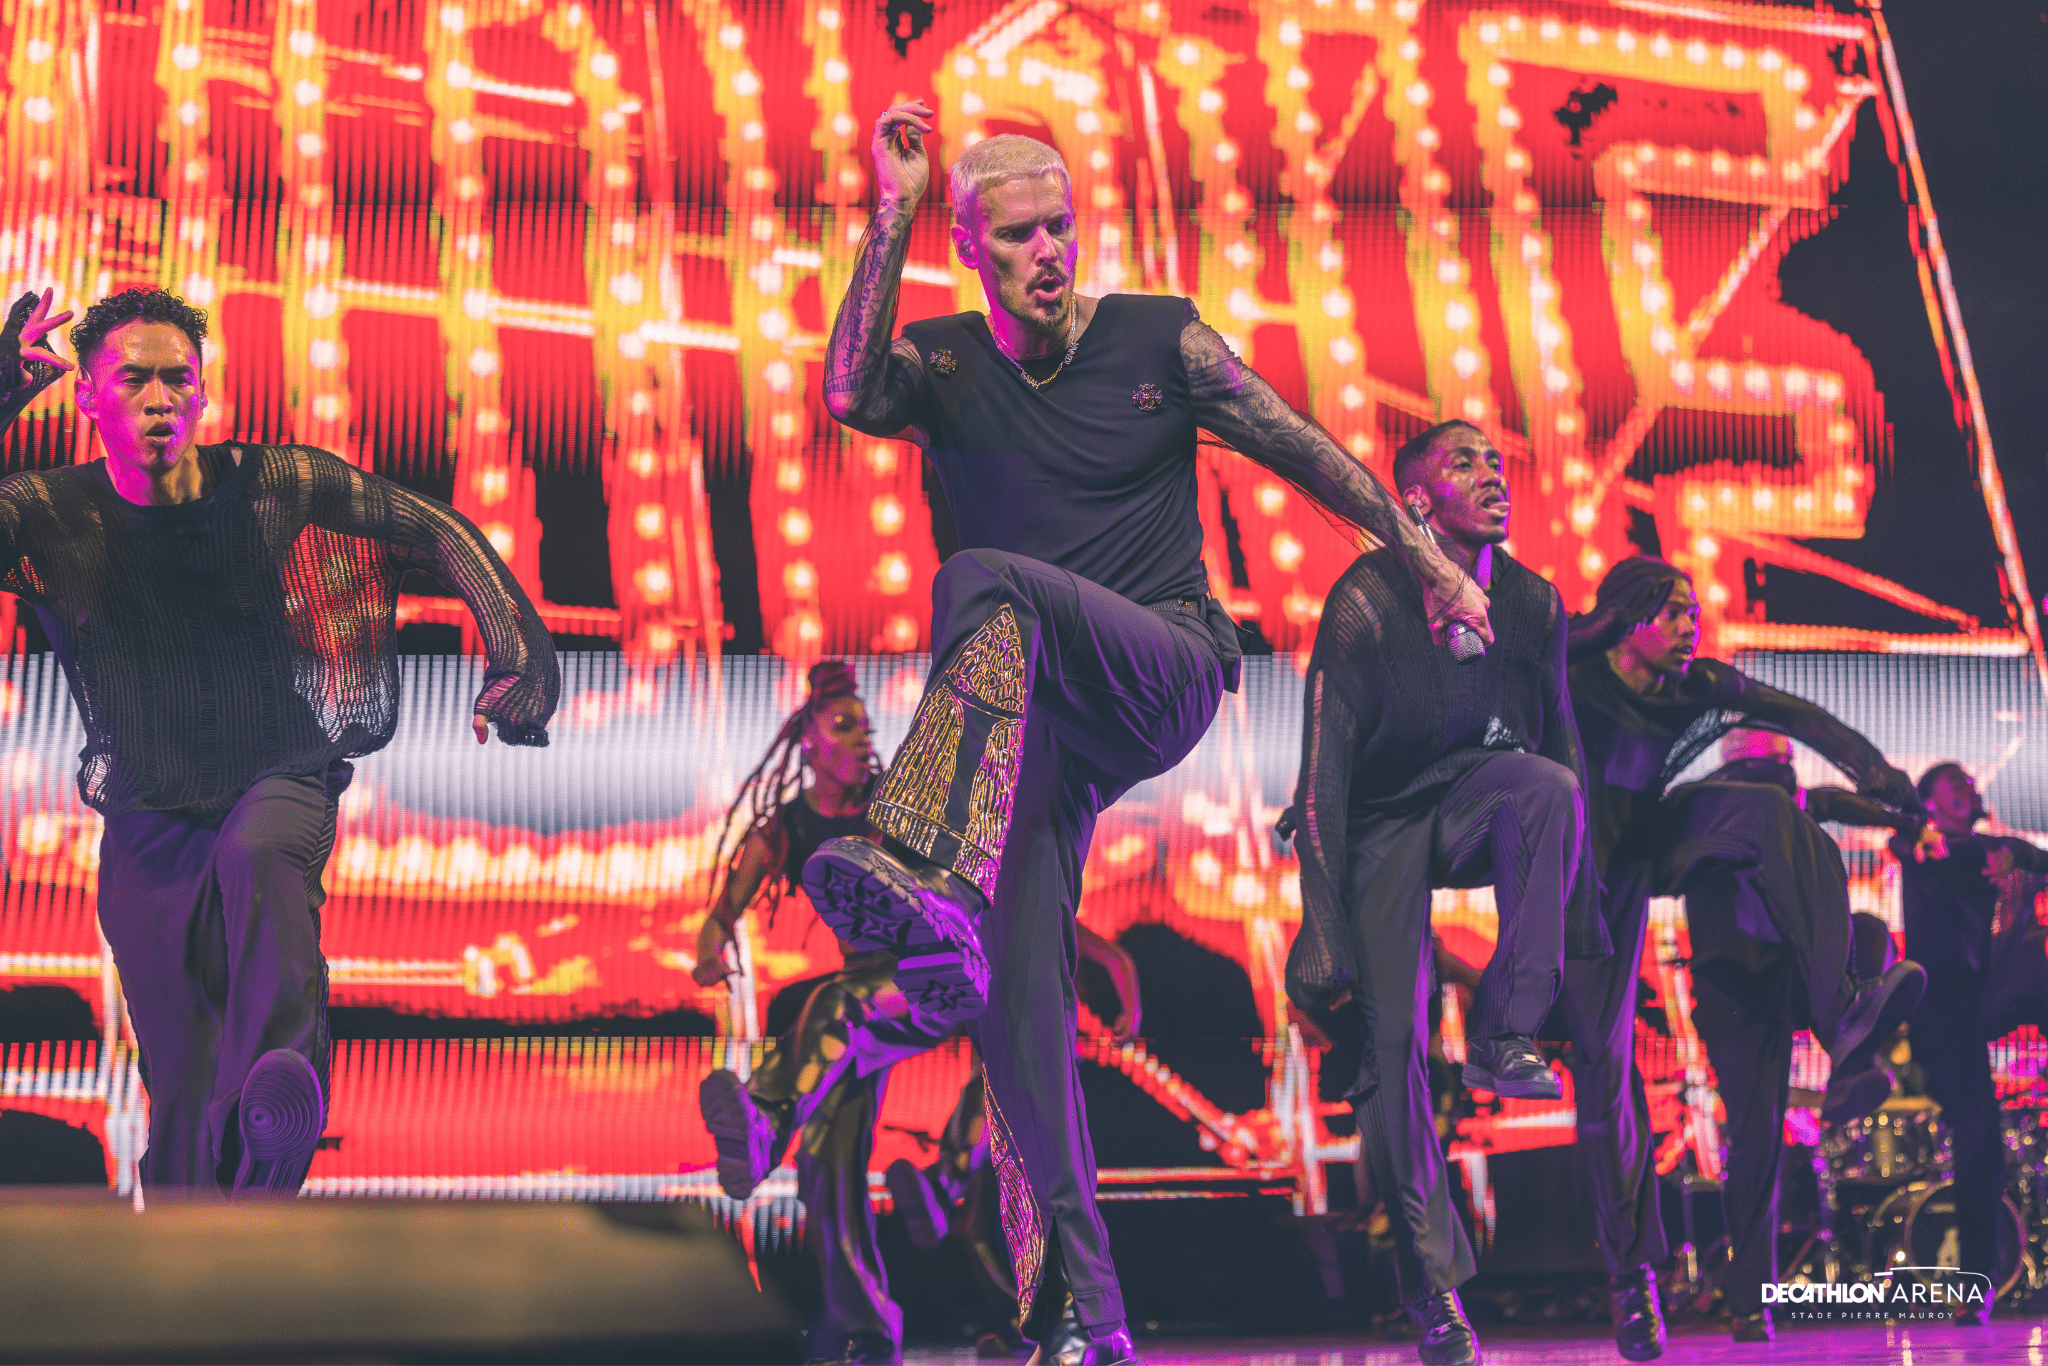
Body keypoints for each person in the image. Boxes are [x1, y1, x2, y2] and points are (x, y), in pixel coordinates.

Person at [802, 106, 1492, 1364]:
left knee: (982, 580)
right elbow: (845, 390)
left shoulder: (1158, 339)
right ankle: (1079, 1313)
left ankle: (923, 856)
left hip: (1159, 662)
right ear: (969, 247)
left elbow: (1302, 451)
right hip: (1034, 730)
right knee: (1015, 1006)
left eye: (1061, 227)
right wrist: (889, 212)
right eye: (1018, 236)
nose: (1048, 252)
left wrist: (1430, 564)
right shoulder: (942, 362)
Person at [0, 286, 558, 1199]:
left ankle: (274, 1115)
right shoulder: (51, 511)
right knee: (180, 1082)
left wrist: (519, 657)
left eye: (178, 379)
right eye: (134, 380)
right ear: (88, 397)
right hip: (148, 808)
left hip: (279, 770)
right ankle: (190, 1248)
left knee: (256, 856)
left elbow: (432, 527)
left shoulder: (271, 482)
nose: (160, 399)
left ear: (203, 392)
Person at [1282, 420, 1607, 1366]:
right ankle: (1433, 1291)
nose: (1495, 474)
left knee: (1548, 784)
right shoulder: (1367, 598)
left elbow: (1560, 742)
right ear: (1417, 499)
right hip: (1378, 819)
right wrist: (1322, 920)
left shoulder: (1533, 603)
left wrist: (1580, 906)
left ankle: (1505, 1034)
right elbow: (1322, 772)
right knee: (1392, 1049)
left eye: (1497, 460)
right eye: (1465, 462)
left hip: (1474, 800)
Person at [1555, 557, 1925, 1352]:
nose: (1691, 626)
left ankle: (1843, 1013)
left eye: (1695, 612)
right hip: (1582, 882)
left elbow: (1797, 714)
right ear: (1629, 616)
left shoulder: (1699, 686)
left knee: (1767, 813)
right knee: (1606, 1080)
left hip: (1650, 841)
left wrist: (1878, 772)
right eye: (1673, 612)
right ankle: (1633, 1276)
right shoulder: (1571, 672)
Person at [694, 661, 947, 1366]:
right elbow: (722, 911)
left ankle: (767, 1116)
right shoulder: (788, 826)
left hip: (932, 982)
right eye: (845, 725)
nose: (864, 738)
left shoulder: (898, 808)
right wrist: (710, 949)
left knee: (830, 1003)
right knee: (829, 1164)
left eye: (866, 726)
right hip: (866, 1004)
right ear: (810, 741)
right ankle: (870, 1328)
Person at [1890, 762, 2048, 1326]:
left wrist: (2015, 858)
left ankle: (1976, 1285)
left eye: (1969, 781)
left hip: (1985, 994)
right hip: (1941, 1011)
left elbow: (2037, 862)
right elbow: (1919, 848)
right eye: (1953, 782)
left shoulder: (1989, 851)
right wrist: (2005, 852)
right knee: (1979, 1147)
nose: (1968, 787)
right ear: (1930, 803)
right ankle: (1976, 1284)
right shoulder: (1922, 846)